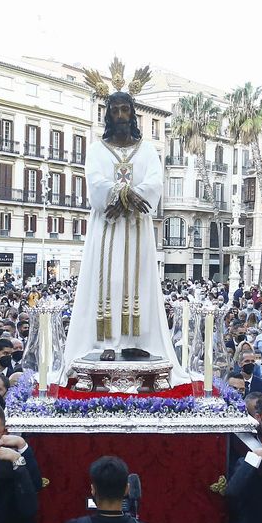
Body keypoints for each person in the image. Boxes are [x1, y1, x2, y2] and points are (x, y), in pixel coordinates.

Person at [62, 85, 189, 385]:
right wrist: (123, 197)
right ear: (108, 114)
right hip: (106, 227)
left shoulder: (146, 149)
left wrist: (126, 198)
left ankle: (136, 341)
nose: (120, 115)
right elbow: (95, 182)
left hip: (136, 227)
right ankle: (107, 343)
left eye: (125, 110)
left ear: (133, 114)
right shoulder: (96, 149)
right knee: (111, 280)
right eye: (115, 110)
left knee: (139, 281)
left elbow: (155, 182)